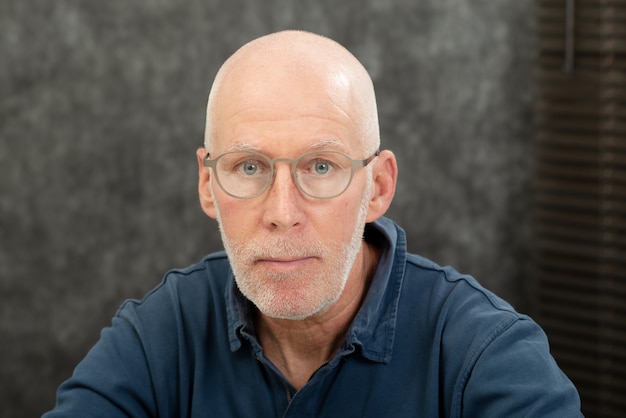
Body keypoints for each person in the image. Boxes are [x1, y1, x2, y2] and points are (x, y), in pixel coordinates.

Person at [43, 30, 582, 417]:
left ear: (379, 186)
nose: (282, 213)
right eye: (248, 167)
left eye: (320, 167)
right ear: (208, 184)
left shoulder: (484, 353)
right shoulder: (160, 334)